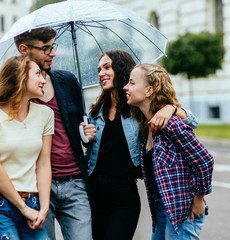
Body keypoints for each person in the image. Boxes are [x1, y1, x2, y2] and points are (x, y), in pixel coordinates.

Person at [85, 50, 199, 240]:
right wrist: (84, 136)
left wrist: (171, 108)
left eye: (107, 67)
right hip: (94, 193)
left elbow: (192, 122)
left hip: (124, 195)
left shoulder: (137, 108)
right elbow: (90, 152)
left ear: (120, 69)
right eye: (99, 69)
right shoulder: (95, 113)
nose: (101, 73)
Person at [14, 27, 96, 240]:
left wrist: (86, 134)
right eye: (46, 48)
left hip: (75, 183)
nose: (53, 53)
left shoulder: (67, 81)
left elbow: (79, 129)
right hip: (35, 188)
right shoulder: (15, 94)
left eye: (53, 47)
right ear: (24, 49)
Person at [123, 63, 214, 240]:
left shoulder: (170, 125)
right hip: (161, 210)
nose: (126, 87)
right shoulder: (146, 127)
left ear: (149, 90)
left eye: (132, 83)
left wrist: (198, 199)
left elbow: (205, 161)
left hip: (183, 212)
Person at [0, 56, 54, 239]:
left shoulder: (45, 114)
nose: (43, 79)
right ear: (20, 77)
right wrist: (23, 208)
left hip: (33, 203)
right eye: (37, 74)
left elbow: (43, 164)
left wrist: (44, 208)